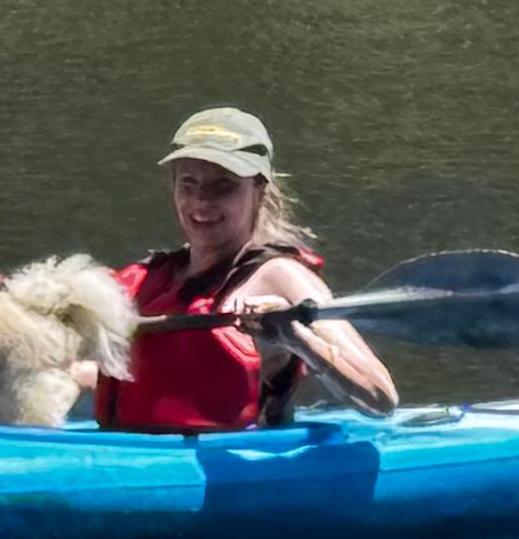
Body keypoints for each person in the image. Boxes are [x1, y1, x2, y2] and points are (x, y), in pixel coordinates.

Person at [96, 108, 399, 434]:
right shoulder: (153, 280)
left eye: (223, 186)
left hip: (246, 466)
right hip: (132, 454)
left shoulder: (281, 277)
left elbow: (381, 398)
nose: (201, 202)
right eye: (189, 183)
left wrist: (294, 336)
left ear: (259, 190)